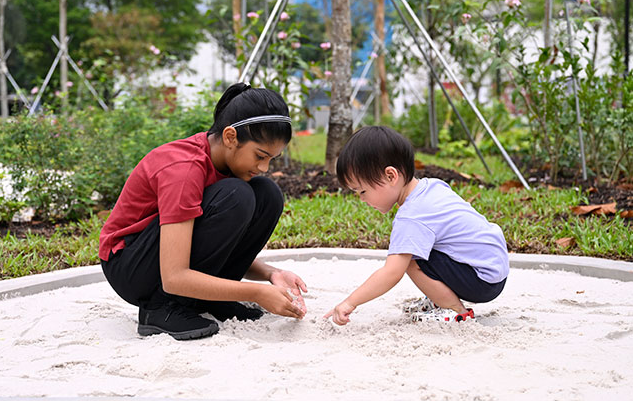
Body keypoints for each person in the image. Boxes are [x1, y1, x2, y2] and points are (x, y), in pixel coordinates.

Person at [99, 83, 307, 341]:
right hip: (129, 266)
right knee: (237, 194)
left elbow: (207, 245)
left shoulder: (227, 164)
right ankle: (159, 309)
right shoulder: (184, 170)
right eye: (260, 155)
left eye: (271, 159)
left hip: (160, 260)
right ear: (231, 137)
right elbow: (175, 276)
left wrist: (271, 275)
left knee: (267, 194)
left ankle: (211, 301)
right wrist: (256, 293)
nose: (264, 166)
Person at [324, 126, 508, 324]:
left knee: (410, 258)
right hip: (494, 268)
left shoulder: (411, 216)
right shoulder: (432, 186)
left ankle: (455, 310)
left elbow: (391, 273)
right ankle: (439, 300)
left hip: (482, 280)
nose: (362, 200)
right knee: (419, 251)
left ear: (391, 176)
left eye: (362, 192)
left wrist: (350, 302)